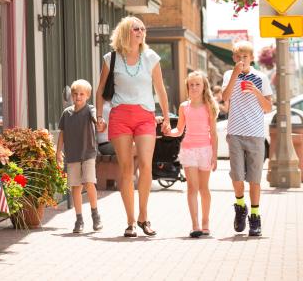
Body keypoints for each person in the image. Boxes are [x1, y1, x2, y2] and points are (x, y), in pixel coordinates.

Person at [96, 16, 169, 237]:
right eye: (136, 28)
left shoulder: (151, 58)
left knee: (146, 165)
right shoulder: (112, 58)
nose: (140, 32)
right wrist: (99, 116)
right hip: (120, 116)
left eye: (143, 29)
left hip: (145, 115)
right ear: (126, 31)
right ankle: (130, 222)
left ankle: (143, 216)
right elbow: (100, 91)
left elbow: (161, 89)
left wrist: (166, 117)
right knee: (126, 169)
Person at [222, 41, 272, 237]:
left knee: (255, 179)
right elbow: (225, 98)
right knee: (236, 176)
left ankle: (255, 216)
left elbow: (268, 107)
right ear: (234, 58)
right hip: (234, 132)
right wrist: (235, 74)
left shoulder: (261, 77)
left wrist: (256, 91)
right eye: (238, 56)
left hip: (256, 134)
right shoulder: (229, 75)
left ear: (251, 58)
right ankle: (240, 205)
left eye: (245, 56)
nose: (242, 60)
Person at [166, 71, 218, 238]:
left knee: (204, 188)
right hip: (188, 150)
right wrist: (169, 132)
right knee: (191, 188)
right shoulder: (183, 107)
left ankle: (205, 222)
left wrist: (215, 156)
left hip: (205, 150)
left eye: (197, 84)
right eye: (191, 85)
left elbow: (214, 134)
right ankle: (195, 225)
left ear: (204, 87)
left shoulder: (209, 106)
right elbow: (179, 130)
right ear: (187, 87)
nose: (194, 87)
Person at [56, 79, 103, 233]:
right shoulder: (66, 113)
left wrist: (100, 123)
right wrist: (58, 152)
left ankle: (95, 215)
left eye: (82, 94)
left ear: (87, 95)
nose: (78, 97)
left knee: (89, 183)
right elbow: (62, 134)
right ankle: (79, 219)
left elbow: (97, 119)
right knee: (76, 187)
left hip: (88, 153)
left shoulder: (90, 110)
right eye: (75, 94)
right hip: (72, 155)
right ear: (71, 96)